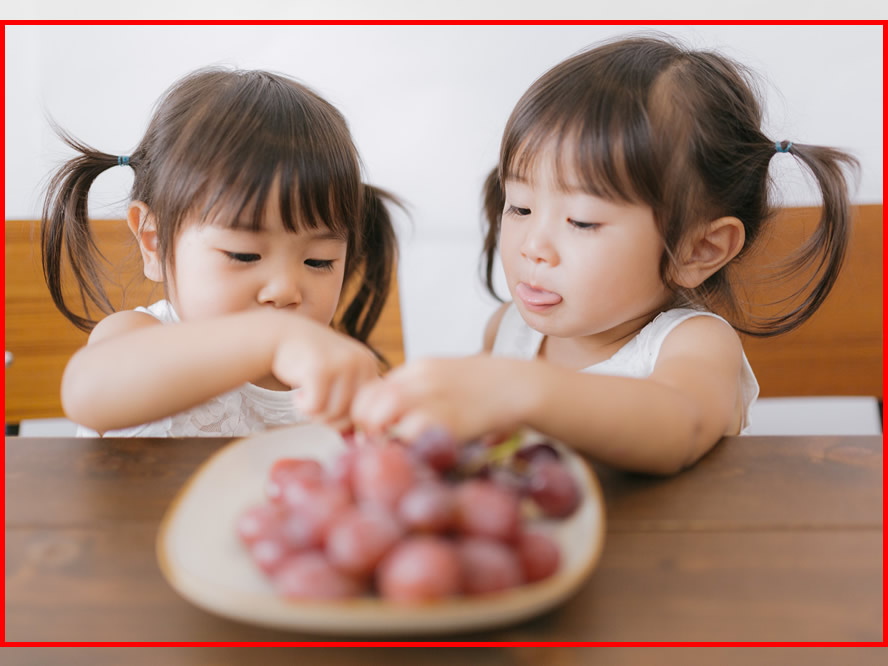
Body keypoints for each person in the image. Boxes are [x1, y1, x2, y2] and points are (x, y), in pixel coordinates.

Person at [351, 35, 857, 475]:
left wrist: (520, 389)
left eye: (582, 221)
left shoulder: (695, 347)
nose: (533, 246)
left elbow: (679, 423)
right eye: (521, 206)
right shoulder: (510, 332)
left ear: (698, 248)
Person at [41, 67, 398, 437]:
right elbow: (87, 392)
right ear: (154, 240)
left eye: (318, 260)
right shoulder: (138, 337)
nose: (284, 290)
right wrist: (271, 339)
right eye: (244, 255)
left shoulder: (325, 373)